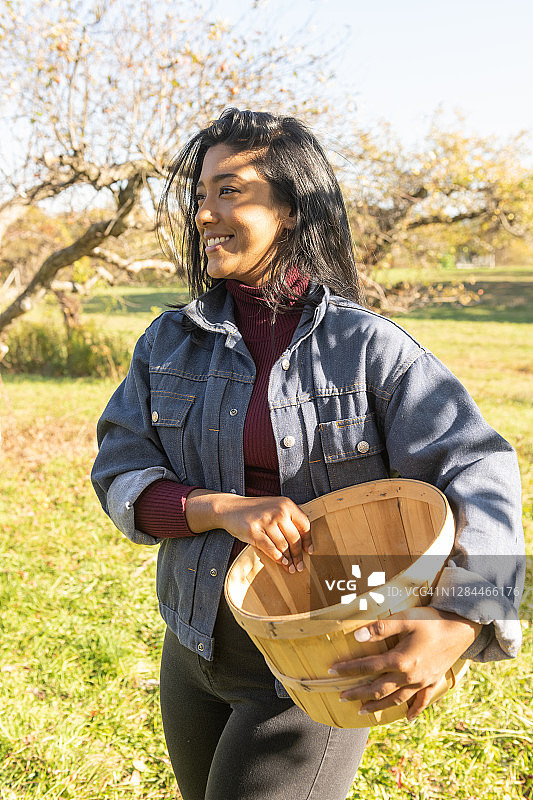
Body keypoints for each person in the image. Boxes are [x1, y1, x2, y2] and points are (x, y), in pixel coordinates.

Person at [91, 108, 525, 800]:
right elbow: (118, 467)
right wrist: (218, 508)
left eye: (229, 191)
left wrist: (458, 617)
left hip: (316, 665)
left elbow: (481, 471)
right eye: (200, 196)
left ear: (291, 210)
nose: (204, 214)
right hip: (194, 647)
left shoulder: (370, 350)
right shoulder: (166, 343)